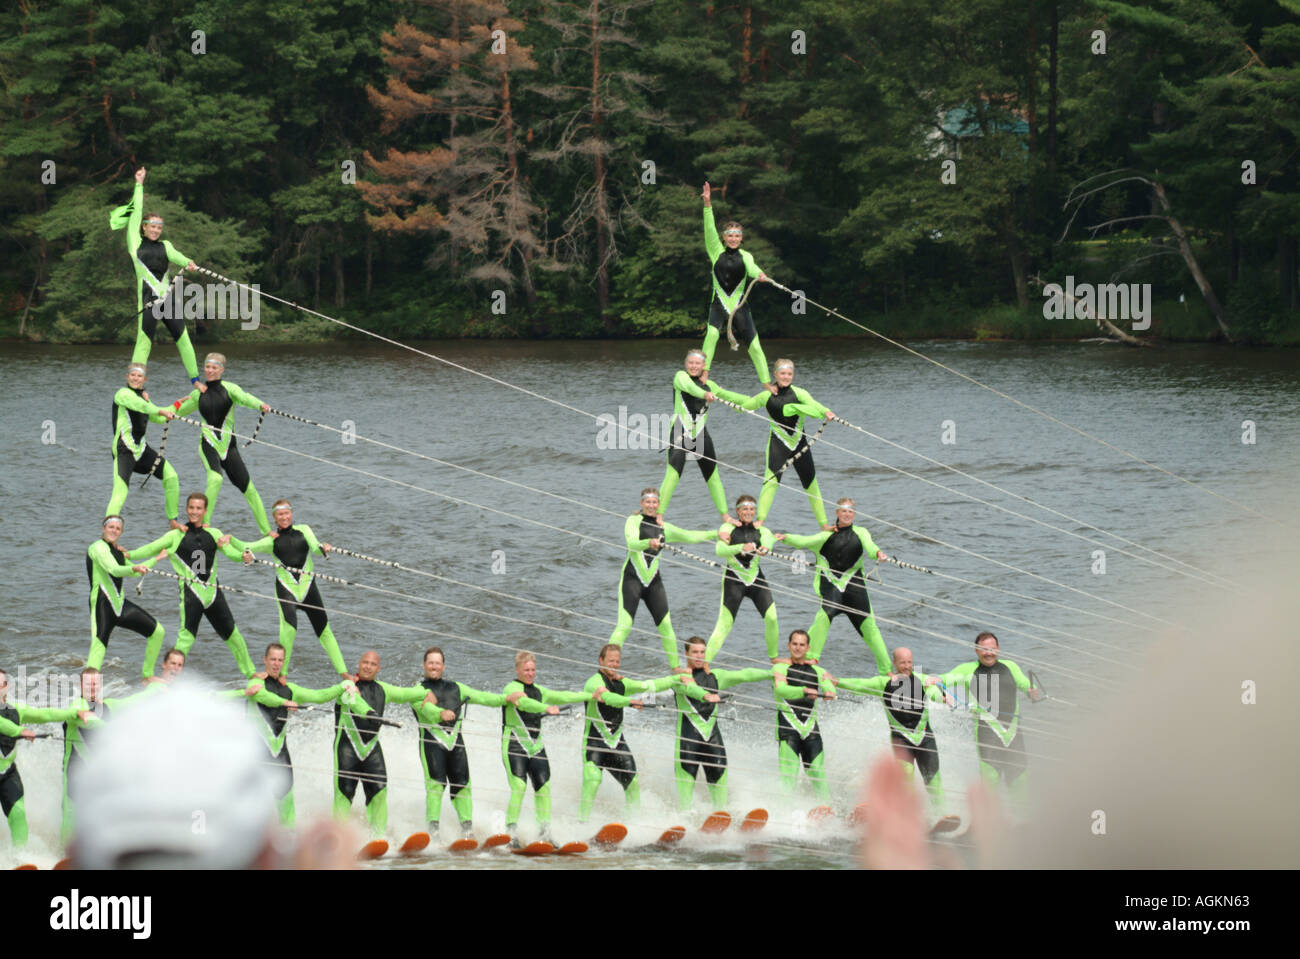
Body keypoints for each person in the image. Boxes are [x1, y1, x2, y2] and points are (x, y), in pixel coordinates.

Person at [608, 487, 725, 669]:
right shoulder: (633, 521)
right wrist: (648, 542)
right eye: (648, 502)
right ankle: (608, 668)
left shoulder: (664, 528)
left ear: (659, 504)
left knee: (666, 626)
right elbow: (631, 543)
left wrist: (715, 534)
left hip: (653, 581)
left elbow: (689, 536)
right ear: (642, 503)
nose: (651, 505)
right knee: (624, 625)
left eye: (655, 502)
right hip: (632, 579)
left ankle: (677, 670)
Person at [411, 646, 520, 840]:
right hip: (431, 742)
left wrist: (506, 698)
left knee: (463, 784)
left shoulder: (457, 688)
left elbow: (483, 697)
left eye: (438, 663)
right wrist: (440, 713)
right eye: (431, 663)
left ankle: (467, 830)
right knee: (435, 785)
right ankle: (433, 832)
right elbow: (426, 708)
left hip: (456, 744)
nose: (434, 666)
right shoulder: (417, 690)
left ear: (443, 666)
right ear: (424, 665)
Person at [714, 359, 835, 528]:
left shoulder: (800, 393)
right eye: (783, 373)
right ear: (775, 374)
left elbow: (814, 405)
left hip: (800, 444)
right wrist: (719, 393)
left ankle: (824, 525)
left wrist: (825, 411)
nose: (786, 377)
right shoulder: (766, 396)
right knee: (770, 482)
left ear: (793, 375)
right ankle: (760, 521)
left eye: (789, 374)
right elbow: (744, 406)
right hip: (778, 443)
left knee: (811, 484)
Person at [244, 643, 355, 826]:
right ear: (265, 660)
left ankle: (288, 836)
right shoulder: (256, 683)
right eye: (273, 659)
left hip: (280, 751)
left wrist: (343, 685)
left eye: (280, 660)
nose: (276, 664)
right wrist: (285, 702)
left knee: (286, 795)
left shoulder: (291, 689)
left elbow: (319, 696)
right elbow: (263, 697)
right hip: (256, 752)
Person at [109, 166, 201, 385]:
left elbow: (177, 256)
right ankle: (134, 384)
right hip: (149, 302)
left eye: (159, 227)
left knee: (183, 338)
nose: (156, 230)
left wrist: (188, 263)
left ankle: (196, 380)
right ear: (143, 227)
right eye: (152, 226)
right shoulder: (135, 242)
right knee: (144, 343)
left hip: (167, 301)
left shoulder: (165, 245)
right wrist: (139, 184)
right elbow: (137, 210)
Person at [836, 647, 953, 817]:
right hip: (901, 739)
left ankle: (943, 816)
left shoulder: (923, 679)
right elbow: (860, 684)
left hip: (925, 738)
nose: (907, 666)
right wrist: (836, 682)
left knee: (934, 781)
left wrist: (941, 698)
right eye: (903, 662)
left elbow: (933, 691)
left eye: (910, 662)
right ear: (895, 663)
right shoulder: (883, 683)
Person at [779, 497, 890, 672]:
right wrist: (784, 537)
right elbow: (804, 541)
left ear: (854, 514)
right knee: (824, 616)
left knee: (870, 627)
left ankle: (887, 670)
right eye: (844, 510)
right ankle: (810, 658)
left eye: (850, 511)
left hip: (854, 585)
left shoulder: (861, 532)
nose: (847, 514)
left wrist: (878, 554)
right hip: (831, 584)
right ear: (837, 513)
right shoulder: (825, 536)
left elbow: (870, 546)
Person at [240, 499, 349, 678]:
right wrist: (236, 548)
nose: (284, 517)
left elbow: (315, 547)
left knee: (324, 629)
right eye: (280, 514)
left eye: (287, 513)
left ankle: (344, 673)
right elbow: (246, 546)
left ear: (291, 513)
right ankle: (281, 675)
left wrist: (324, 548)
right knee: (289, 630)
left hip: (308, 589)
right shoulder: (270, 541)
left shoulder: (304, 530)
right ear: (274, 518)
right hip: (286, 589)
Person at [152, 492, 256, 677]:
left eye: (199, 508)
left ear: (205, 511)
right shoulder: (176, 535)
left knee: (235, 637)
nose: (194, 511)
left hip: (214, 596)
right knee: (185, 641)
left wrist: (244, 556)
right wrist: (128, 556)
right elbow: (149, 548)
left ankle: (252, 676)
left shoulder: (214, 533)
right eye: (191, 507)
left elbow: (232, 554)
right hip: (192, 596)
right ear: (186, 509)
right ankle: (167, 680)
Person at [331, 650, 432, 838]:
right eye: (365, 663)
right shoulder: (347, 686)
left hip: (371, 749)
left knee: (379, 792)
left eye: (373, 664)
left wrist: (428, 693)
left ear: (379, 668)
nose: (368, 667)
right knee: (344, 793)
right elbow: (356, 704)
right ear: (359, 664)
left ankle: (378, 839)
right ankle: (336, 841)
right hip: (347, 748)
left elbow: (406, 693)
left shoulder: (383, 689)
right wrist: (370, 713)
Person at [172, 353, 272, 535]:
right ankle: (205, 523)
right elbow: (176, 411)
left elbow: (245, 398)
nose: (209, 371)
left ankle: (267, 532)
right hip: (208, 444)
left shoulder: (230, 388)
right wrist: (161, 409)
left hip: (228, 447)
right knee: (216, 478)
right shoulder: (197, 394)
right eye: (207, 367)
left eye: (214, 368)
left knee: (249, 489)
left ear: (221, 370)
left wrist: (260, 405)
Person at [934, 632, 1040, 801]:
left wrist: (1031, 691)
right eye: (984, 649)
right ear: (976, 651)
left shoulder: (1010, 666)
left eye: (992, 649)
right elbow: (942, 679)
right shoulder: (967, 670)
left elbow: (1025, 684)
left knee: (1019, 779)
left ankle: (1022, 822)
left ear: (998, 649)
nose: (988, 653)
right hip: (987, 733)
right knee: (990, 779)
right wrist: (934, 683)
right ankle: (988, 822)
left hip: (1013, 733)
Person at [501, 651, 593, 846]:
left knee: (544, 787)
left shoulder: (539, 691)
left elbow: (562, 696)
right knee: (519, 787)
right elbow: (525, 703)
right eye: (526, 670)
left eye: (533, 669)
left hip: (536, 746)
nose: (530, 673)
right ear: (517, 670)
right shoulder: (512, 688)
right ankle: (511, 835)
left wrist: (591, 695)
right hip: (515, 745)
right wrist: (545, 708)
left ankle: (545, 834)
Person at [672, 637, 773, 812]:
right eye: (695, 652)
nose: (699, 656)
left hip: (713, 740)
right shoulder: (679, 678)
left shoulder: (717, 676)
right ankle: (684, 820)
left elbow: (744, 675)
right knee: (686, 791)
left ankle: (720, 817)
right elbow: (691, 690)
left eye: (702, 652)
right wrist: (706, 695)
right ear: (686, 654)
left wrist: (771, 673)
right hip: (687, 742)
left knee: (719, 781)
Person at [578, 645, 676, 824]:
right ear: (601, 661)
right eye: (610, 661)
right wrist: (629, 702)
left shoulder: (621, 683)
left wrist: (676, 680)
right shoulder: (594, 682)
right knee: (592, 781)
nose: (614, 665)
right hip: (595, 743)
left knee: (632, 783)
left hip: (617, 743)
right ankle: (582, 824)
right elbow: (608, 699)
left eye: (617, 661)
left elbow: (648, 685)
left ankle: (634, 823)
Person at [0, 668, 91, 848]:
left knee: (18, 813)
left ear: (6, 687)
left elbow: (46, 714)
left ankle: (21, 859)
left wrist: (73, 713)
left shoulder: (16, 710)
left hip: (7, 772)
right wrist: (20, 731)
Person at [699, 181, 772, 389]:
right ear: (724, 238)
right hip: (719, 304)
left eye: (737, 235)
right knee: (712, 334)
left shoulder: (746, 255)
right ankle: (704, 374)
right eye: (729, 235)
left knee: (755, 346)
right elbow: (709, 228)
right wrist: (707, 205)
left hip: (739, 306)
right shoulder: (715, 251)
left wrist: (760, 275)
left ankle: (767, 383)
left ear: (741, 238)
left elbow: (752, 268)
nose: (733, 238)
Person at [658, 350, 740, 524]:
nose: (694, 366)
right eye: (691, 363)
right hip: (680, 430)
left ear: (704, 366)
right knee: (673, 473)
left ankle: (725, 516)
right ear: (686, 364)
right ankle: (658, 516)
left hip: (701, 434)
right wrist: (704, 395)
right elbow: (691, 388)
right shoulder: (680, 377)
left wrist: (758, 401)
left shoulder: (710, 385)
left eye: (697, 363)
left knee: (713, 475)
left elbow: (731, 397)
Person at [85, 515, 172, 679]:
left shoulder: (118, 552)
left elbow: (134, 570)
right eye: (111, 527)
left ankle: (148, 676)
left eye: (118, 528)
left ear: (121, 532)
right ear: (103, 528)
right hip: (102, 606)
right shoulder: (97, 548)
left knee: (157, 632)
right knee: (98, 649)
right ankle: (86, 697)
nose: (114, 530)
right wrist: (135, 569)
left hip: (120, 605)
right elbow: (115, 570)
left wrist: (157, 558)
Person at [106, 362, 181, 529]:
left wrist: (177, 405)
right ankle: (109, 529)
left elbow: (158, 417)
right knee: (121, 491)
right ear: (127, 377)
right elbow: (140, 405)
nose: (135, 378)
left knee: (171, 477)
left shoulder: (144, 398)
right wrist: (159, 409)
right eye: (132, 375)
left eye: (139, 376)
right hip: (123, 449)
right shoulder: (122, 394)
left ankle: (173, 520)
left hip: (142, 450)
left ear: (144, 379)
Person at [705, 494, 779, 662]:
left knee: (772, 618)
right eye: (745, 509)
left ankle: (774, 658)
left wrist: (766, 548)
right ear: (738, 511)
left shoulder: (761, 529)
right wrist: (740, 547)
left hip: (755, 579)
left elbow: (769, 539)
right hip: (734, 580)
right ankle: (704, 664)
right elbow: (719, 550)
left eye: (752, 509)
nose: (748, 512)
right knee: (724, 625)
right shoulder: (727, 527)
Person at [772, 629, 836, 803]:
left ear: (808, 648)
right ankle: (783, 812)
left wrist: (830, 691)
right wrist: (804, 690)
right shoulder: (780, 668)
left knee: (817, 770)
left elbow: (828, 683)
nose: (798, 648)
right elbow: (781, 689)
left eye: (802, 644)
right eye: (794, 644)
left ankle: (826, 808)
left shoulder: (817, 670)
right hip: (788, 728)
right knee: (789, 773)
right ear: (788, 645)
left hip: (810, 728)